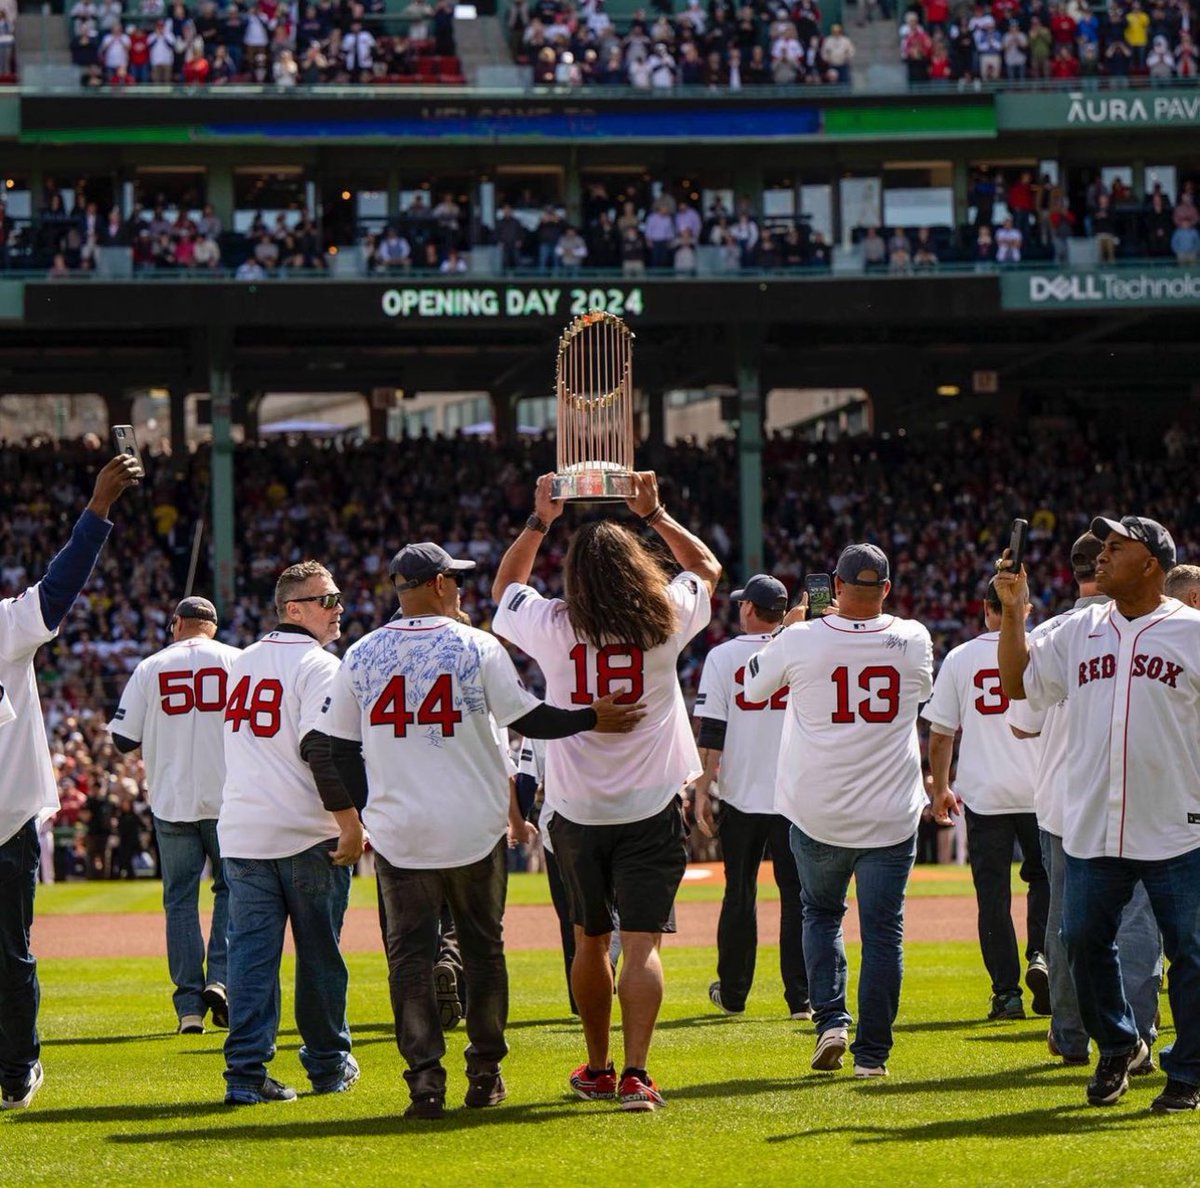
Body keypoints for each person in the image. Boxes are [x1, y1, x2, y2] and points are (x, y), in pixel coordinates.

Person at [321, 542, 642, 1119]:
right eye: (457, 580)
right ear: (439, 583)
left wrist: (371, 809)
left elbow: (336, 747)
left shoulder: (361, 652)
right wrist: (592, 716)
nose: (464, 589)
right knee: (484, 952)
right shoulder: (475, 644)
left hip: (402, 834)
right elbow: (528, 718)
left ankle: (424, 1083)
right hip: (473, 826)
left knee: (410, 961)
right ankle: (485, 1073)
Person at [491, 472, 720, 1112]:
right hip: (650, 805)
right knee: (642, 943)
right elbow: (706, 566)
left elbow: (505, 588)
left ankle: (597, 1065)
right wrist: (656, 514)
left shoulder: (554, 625)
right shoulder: (665, 618)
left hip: (575, 807)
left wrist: (540, 521)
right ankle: (638, 1075)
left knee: (590, 940)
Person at [996, 516, 1200, 1113]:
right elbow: (1017, 685)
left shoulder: (1192, 631)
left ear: (1152, 565)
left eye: (1117, 548)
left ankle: (1186, 1073)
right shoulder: (1077, 629)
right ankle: (1117, 1044)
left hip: (1175, 824)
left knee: (1189, 954)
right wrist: (1013, 614)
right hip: (1093, 822)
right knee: (1080, 942)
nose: (1101, 556)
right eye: (1102, 547)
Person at [744, 544, 943, 1078]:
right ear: (885, 589)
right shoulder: (913, 636)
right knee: (883, 932)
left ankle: (831, 1020)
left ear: (833, 585)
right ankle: (872, 1057)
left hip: (818, 809)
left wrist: (791, 626)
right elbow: (920, 692)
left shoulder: (801, 637)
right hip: (889, 812)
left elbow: (753, 684)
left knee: (821, 913)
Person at [0, 453, 141, 1111]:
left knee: (10, 955)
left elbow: (58, 589)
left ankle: (18, 1064)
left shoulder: (4, 625)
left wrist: (98, 508)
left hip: (7, 820)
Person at [1006, 533, 1162, 1070]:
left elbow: (1022, 722)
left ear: (1072, 572)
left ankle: (1071, 1036)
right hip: (1140, 798)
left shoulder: (1051, 631)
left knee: (1068, 926)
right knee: (1138, 923)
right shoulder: (1158, 625)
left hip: (1062, 800)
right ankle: (1137, 1033)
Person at [218, 561, 364, 1106]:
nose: (338, 608)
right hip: (307, 832)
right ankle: (327, 1065)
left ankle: (245, 1076)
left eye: (338, 597)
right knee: (320, 955)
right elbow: (320, 749)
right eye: (327, 599)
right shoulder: (319, 664)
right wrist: (350, 823)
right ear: (294, 609)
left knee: (252, 960)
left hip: (244, 831)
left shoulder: (241, 661)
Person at [108, 596, 241, 1035]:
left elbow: (123, 740)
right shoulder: (238, 661)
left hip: (172, 801)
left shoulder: (150, 667)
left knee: (180, 900)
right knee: (231, 892)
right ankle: (221, 980)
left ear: (177, 623)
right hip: (228, 799)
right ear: (214, 627)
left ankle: (188, 1007)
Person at [922, 579, 1049, 1021]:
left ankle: (1007, 994)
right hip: (1042, 790)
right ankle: (1042, 956)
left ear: (984, 608)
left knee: (992, 896)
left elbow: (941, 734)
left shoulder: (960, 657)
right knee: (1047, 881)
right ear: (1026, 608)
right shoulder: (1044, 647)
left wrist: (940, 787)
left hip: (985, 793)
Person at [693, 574, 809, 1021]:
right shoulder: (802, 646)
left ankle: (735, 993)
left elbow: (713, 731)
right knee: (797, 896)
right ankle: (802, 998)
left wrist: (703, 789)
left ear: (748, 609)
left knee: (739, 893)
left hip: (741, 794)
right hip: (793, 794)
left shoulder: (723, 656)